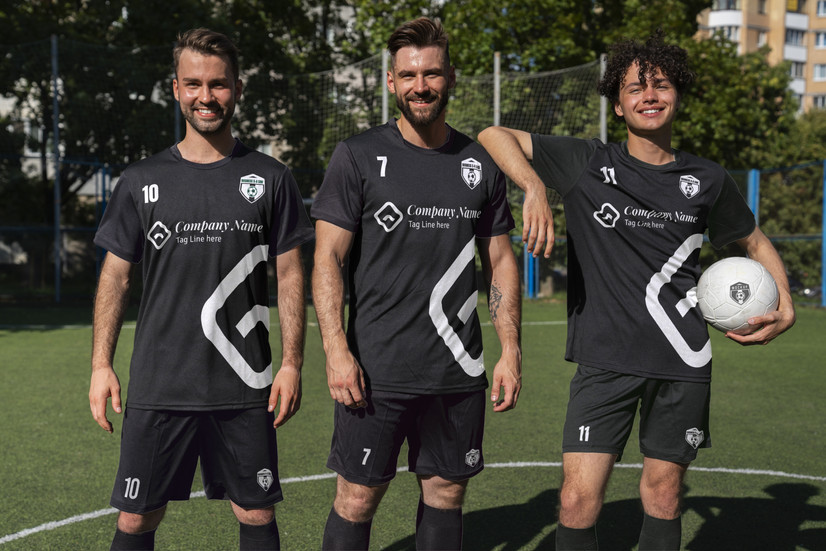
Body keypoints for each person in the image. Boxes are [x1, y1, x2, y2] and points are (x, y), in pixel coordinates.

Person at [478, 31, 796, 550]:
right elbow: (494, 135)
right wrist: (535, 186)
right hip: (604, 361)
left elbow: (754, 241)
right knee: (578, 500)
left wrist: (785, 307)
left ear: (677, 94)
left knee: (665, 495)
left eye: (661, 85)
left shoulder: (708, 179)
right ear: (619, 105)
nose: (650, 95)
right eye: (635, 88)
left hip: (683, 361)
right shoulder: (587, 162)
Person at [89, 28, 313, 551]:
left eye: (218, 84)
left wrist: (292, 363)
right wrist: (102, 364)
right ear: (175, 89)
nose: (206, 97)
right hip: (159, 384)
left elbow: (290, 274)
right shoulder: (140, 180)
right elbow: (115, 276)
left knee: (256, 513)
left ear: (238, 88)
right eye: (194, 84)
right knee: (135, 520)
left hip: (241, 383)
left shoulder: (271, 178)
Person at [311, 17, 522, 550]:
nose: (420, 86)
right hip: (375, 370)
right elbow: (327, 259)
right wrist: (336, 350)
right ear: (390, 82)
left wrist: (510, 350)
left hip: (457, 369)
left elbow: (500, 259)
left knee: (446, 492)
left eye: (430, 73)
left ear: (450, 77)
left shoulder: (480, 163)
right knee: (357, 498)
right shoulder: (357, 156)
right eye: (408, 75)